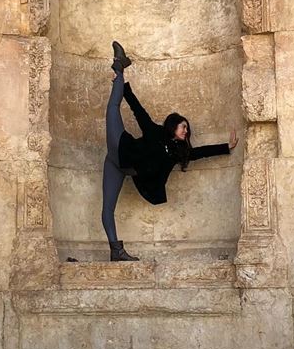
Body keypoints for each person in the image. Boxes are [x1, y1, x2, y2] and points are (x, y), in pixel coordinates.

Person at [102, 41, 239, 262]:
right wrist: (123, 86)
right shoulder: (155, 132)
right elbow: (139, 111)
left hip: (119, 166)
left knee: (108, 207)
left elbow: (199, 153)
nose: (186, 130)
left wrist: (226, 147)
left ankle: (116, 251)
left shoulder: (178, 154)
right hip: (119, 146)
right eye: (183, 126)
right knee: (112, 107)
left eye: (187, 128)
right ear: (173, 125)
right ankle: (119, 66)